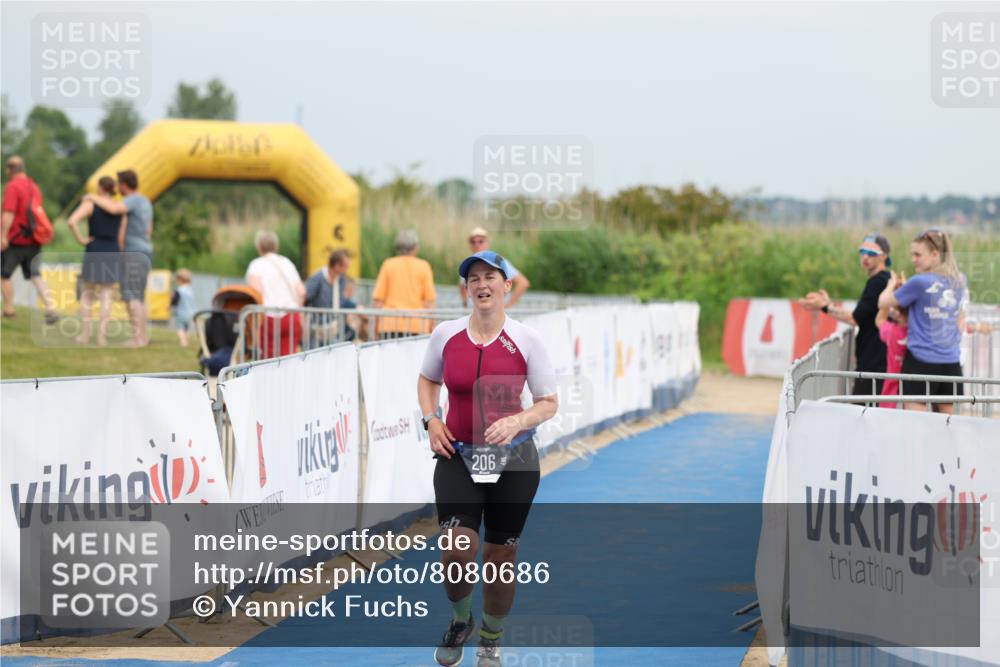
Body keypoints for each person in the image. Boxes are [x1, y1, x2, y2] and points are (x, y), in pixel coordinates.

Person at [418, 250, 558, 667]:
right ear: (466, 290)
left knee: (499, 558)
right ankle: (461, 620)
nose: (481, 284)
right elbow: (428, 380)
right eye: (473, 278)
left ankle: (491, 640)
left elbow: (548, 403)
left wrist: (518, 420)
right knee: (457, 546)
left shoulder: (527, 339)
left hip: (512, 461)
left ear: (507, 286)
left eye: (490, 277)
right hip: (458, 455)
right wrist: (431, 420)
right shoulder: (446, 334)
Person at [878, 229, 966, 414]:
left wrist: (891, 286)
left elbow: (882, 303)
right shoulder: (959, 280)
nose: (913, 259)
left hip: (920, 361)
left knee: (916, 429)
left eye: (918, 254)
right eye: (912, 254)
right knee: (950, 429)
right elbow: (960, 315)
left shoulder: (919, 282)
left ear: (935, 254)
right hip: (951, 362)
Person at [801, 233, 892, 396]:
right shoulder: (882, 280)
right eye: (862, 252)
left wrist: (825, 306)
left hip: (875, 362)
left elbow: (854, 318)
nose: (865, 257)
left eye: (872, 253)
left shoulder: (879, 282)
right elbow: (860, 316)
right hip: (877, 359)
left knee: (861, 413)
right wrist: (827, 305)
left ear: (884, 257)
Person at [85, 169, 154, 347]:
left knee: (131, 296)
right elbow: (149, 230)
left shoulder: (132, 200)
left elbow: (114, 209)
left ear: (124, 185)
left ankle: (137, 339)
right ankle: (143, 337)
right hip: (146, 250)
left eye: (119, 184)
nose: (118, 189)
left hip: (133, 252)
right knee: (139, 297)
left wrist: (92, 198)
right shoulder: (146, 201)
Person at [1, 156, 58, 323]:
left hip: (16, 239)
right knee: (35, 274)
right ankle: (50, 308)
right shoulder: (34, 186)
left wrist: (2, 236)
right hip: (34, 239)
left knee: (3, 275)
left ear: (10, 170)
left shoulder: (13, 187)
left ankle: (9, 309)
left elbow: (9, 213)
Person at [66, 176, 122, 345]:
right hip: (113, 249)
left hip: (95, 247)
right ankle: (102, 338)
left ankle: (84, 335)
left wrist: (81, 239)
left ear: (100, 187)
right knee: (106, 295)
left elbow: (71, 221)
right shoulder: (119, 206)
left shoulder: (90, 203)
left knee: (87, 295)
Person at [245, 229, 305, 358]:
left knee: (268, 362)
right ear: (276, 246)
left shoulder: (256, 265)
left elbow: (256, 293)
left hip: (268, 317)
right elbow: (301, 292)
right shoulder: (287, 263)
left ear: (259, 247)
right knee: (289, 360)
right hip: (291, 316)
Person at [372, 229, 436, 338]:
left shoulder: (388, 264)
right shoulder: (424, 266)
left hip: (389, 323)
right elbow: (429, 302)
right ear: (416, 248)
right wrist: (432, 327)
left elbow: (378, 301)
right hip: (417, 325)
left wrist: (376, 327)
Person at [459, 227, 530, 308]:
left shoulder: (498, 261)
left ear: (487, 243)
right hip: (474, 314)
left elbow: (523, 283)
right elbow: (462, 285)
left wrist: (508, 306)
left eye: (480, 241)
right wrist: (465, 305)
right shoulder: (467, 263)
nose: (476, 245)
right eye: (473, 242)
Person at [875, 304, 908, 409]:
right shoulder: (921, 334)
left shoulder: (892, 331)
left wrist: (887, 298)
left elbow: (879, 320)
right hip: (915, 396)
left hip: (890, 394)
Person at [171, 268, 195, 347]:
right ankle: (186, 340)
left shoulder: (179, 290)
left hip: (180, 313)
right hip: (190, 313)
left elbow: (175, 301)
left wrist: (170, 305)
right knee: (186, 328)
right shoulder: (190, 290)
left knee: (179, 328)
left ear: (180, 279)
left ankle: (183, 341)